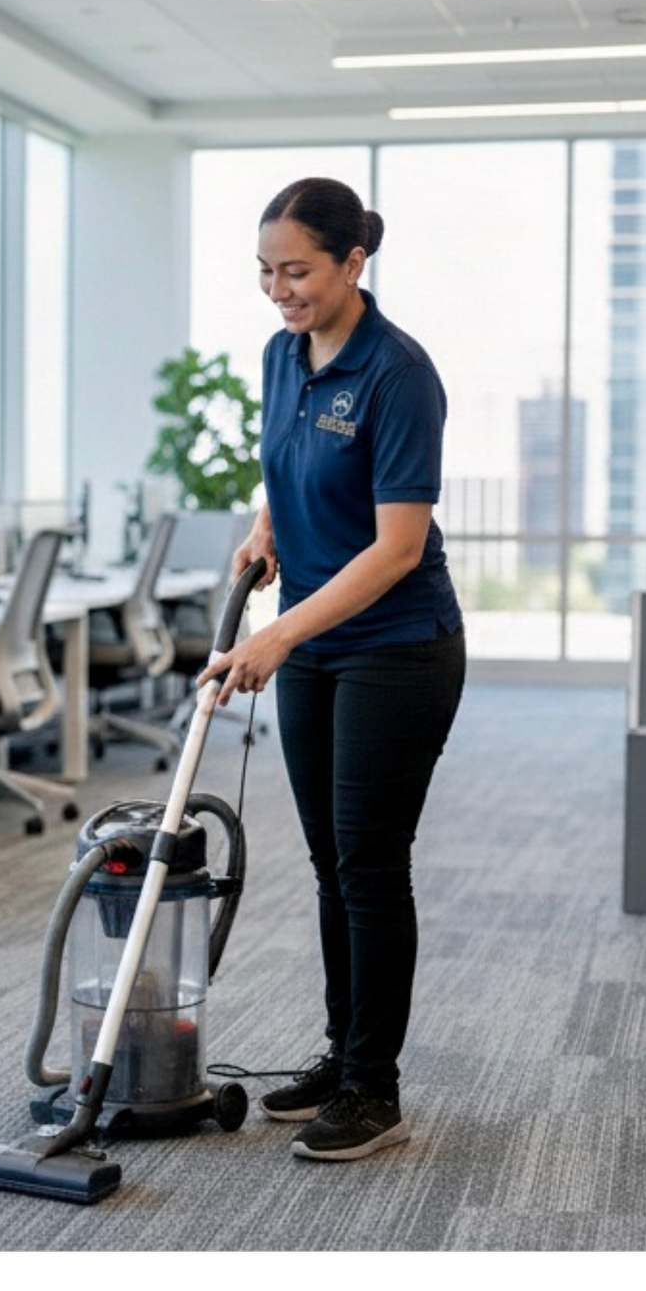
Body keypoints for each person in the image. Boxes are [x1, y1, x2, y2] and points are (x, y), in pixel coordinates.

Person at [198, 177, 466, 1162]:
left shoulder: (398, 374)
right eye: (265, 271)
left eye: (297, 270)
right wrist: (269, 528)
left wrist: (275, 635)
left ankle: (374, 1088)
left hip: (397, 648)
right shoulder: (281, 355)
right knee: (328, 864)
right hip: (313, 641)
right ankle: (341, 1052)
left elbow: (397, 546)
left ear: (354, 263)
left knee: (367, 863)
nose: (278, 290)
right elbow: (289, 460)